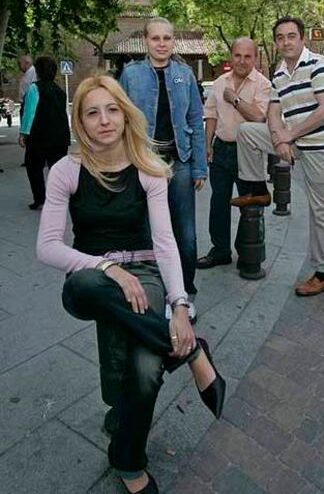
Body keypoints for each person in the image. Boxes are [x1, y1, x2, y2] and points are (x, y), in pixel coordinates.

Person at [36, 75, 225, 494]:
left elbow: (165, 243)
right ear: (79, 123)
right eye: (92, 112)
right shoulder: (67, 171)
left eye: (112, 109)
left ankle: (127, 460)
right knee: (84, 287)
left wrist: (179, 305)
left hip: (145, 273)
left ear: (124, 114)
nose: (104, 120)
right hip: (94, 279)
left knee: (143, 366)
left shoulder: (148, 169)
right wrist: (108, 269)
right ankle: (192, 352)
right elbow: (47, 247)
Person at [231, 17, 324, 296]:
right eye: (280, 37)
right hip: (297, 142)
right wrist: (277, 137)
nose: (286, 42)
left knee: (321, 212)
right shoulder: (280, 72)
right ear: (276, 42)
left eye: (291, 36)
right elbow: (272, 111)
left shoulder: (320, 65)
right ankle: (258, 190)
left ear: (302, 38)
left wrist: (289, 135)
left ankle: (323, 274)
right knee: (247, 131)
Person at [120, 17, 207, 320]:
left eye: (167, 38)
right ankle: (156, 290)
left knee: (186, 233)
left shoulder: (185, 74)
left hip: (179, 161)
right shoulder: (130, 74)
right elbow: (122, 122)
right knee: (147, 231)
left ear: (173, 41)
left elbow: (196, 119)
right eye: (155, 38)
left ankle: (185, 293)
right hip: (144, 162)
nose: (161, 44)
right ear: (146, 41)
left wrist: (199, 167)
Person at [197, 38, 271, 269]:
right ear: (231, 56)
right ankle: (220, 251)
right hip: (221, 150)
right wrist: (207, 145)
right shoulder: (220, 82)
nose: (242, 61)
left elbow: (259, 117)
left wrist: (235, 100)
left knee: (249, 204)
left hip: (248, 153)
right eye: (237, 55)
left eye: (248, 56)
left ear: (255, 58)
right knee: (218, 203)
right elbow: (211, 115)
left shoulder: (263, 85)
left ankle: (247, 251)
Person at [19, 55, 70, 210]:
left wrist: (23, 133)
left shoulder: (34, 88)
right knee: (57, 169)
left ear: (38, 72)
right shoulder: (60, 91)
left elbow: (29, 113)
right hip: (60, 137)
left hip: (39, 137)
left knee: (33, 167)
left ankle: (40, 199)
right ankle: (59, 199)